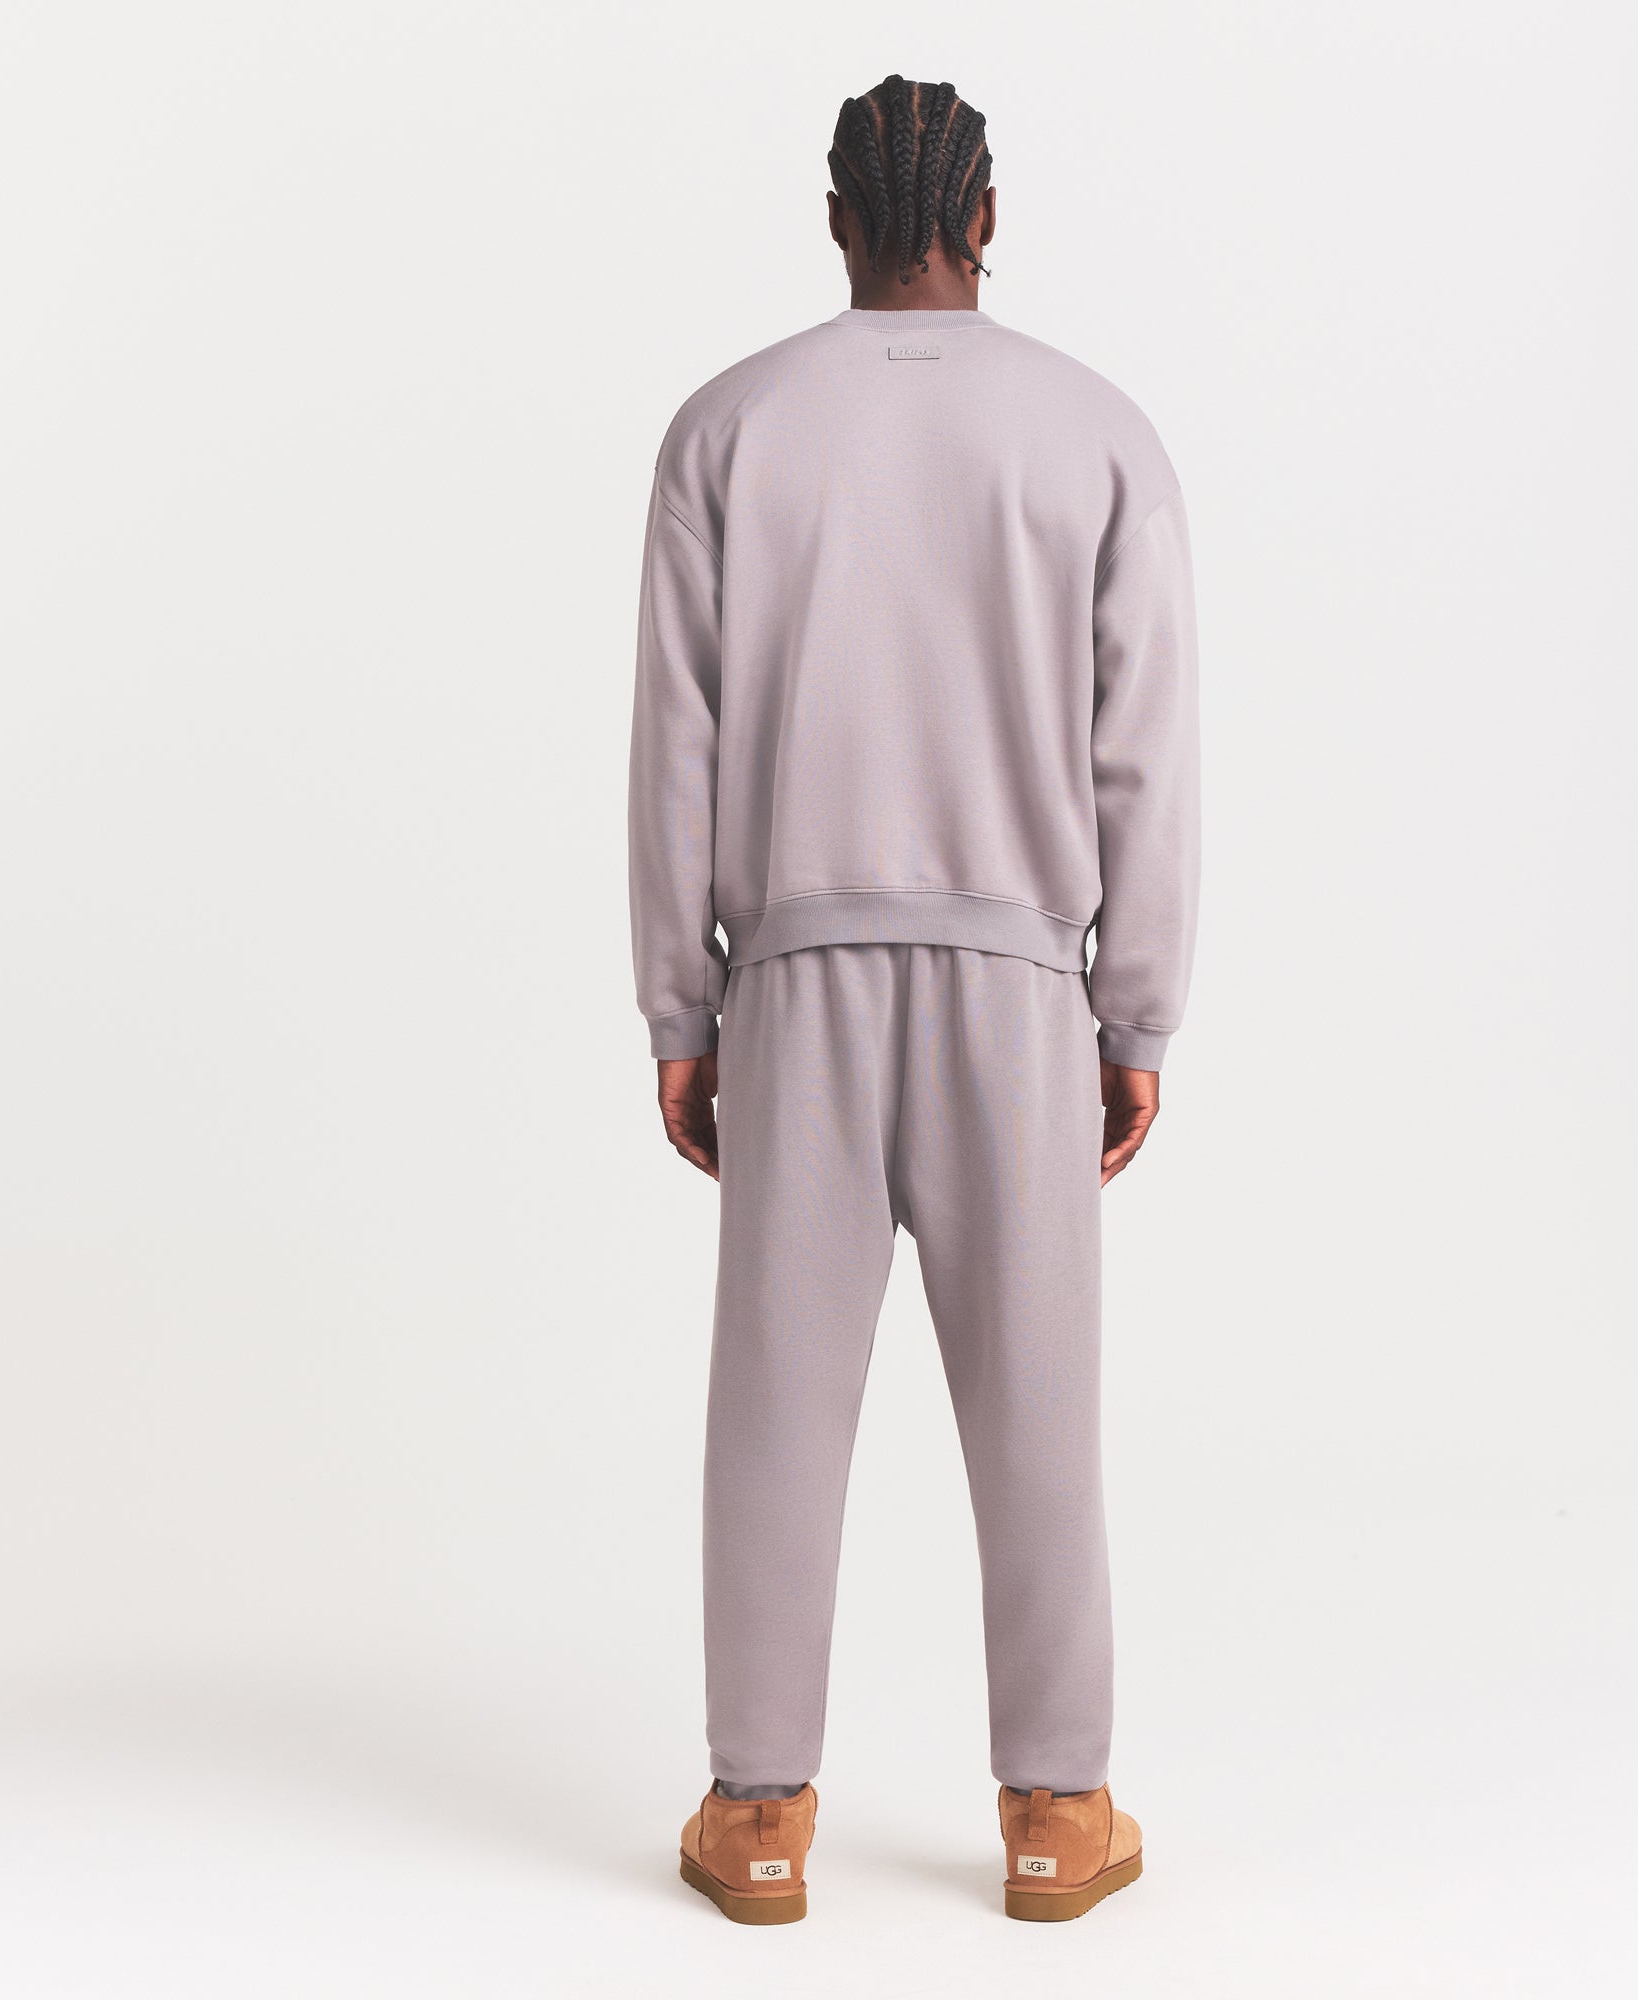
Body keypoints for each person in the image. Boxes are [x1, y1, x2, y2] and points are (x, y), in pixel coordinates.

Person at [628, 74, 1199, 1925]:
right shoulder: (1098, 433)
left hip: (794, 980)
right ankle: (1057, 1812)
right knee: (1040, 1409)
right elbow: (1144, 756)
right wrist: (1137, 1016)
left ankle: (758, 1817)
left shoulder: (728, 427)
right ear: (988, 216)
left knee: (774, 1411)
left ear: (835, 222)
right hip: (1022, 990)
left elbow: (676, 747)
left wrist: (679, 1010)